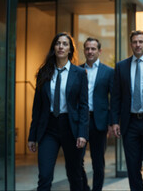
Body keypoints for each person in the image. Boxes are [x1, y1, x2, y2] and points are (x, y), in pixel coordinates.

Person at [28, 32, 88, 191]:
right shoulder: (44, 73)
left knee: (74, 174)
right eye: (58, 43)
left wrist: (82, 133)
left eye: (65, 44)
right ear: (53, 48)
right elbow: (37, 107)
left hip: (71, 129)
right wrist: (32, 136)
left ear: (70, 49)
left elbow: (83, 106)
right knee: (45, 176)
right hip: (48, 129)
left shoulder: (80, 74)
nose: (61, 46)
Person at [111, 31, 143, 191]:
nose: (137, 44)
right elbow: (116, 96)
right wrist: (114, 122)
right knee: (133, 165)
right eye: (134, 42)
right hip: (129, 122)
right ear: (131, 44)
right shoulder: (121, 66)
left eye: (140, 41)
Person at [80, 37, 114, 191]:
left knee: (98, 161)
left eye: (93, 49)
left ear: (99, 51)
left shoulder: (108, 72)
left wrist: (112, 123)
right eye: (87, 48)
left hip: (99, 121)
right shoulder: (77, 70)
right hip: (80, 120)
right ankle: (85, 187)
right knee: (77, 159)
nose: (90, 51)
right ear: (84, 50)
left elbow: (114, 99)